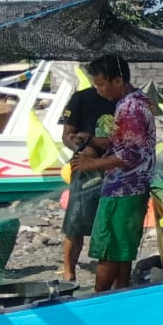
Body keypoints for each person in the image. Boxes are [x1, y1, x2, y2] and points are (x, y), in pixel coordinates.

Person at [67, 55, 156, 292]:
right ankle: (121, 294)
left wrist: (92, 164)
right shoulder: (140, 100)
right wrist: (92, 140)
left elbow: (128, 155)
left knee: (108, 249)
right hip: (136, 187)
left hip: (122, 189)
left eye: (101, 84)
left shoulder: (129, 108)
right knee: (122, 249)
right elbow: (126, 143)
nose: (98, 90)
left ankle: (99, 297)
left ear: (118, 80)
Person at [59, 75, 116, 283]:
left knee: (111, 225)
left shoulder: (126, 100)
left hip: (116, 168)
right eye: (97, 83)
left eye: (103, 82)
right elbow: (67, 135)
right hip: (85, 168)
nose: (100, 88)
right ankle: (69, 272)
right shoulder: (81, 98)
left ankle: (110, 276)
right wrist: (82, 148)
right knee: (75, 224)